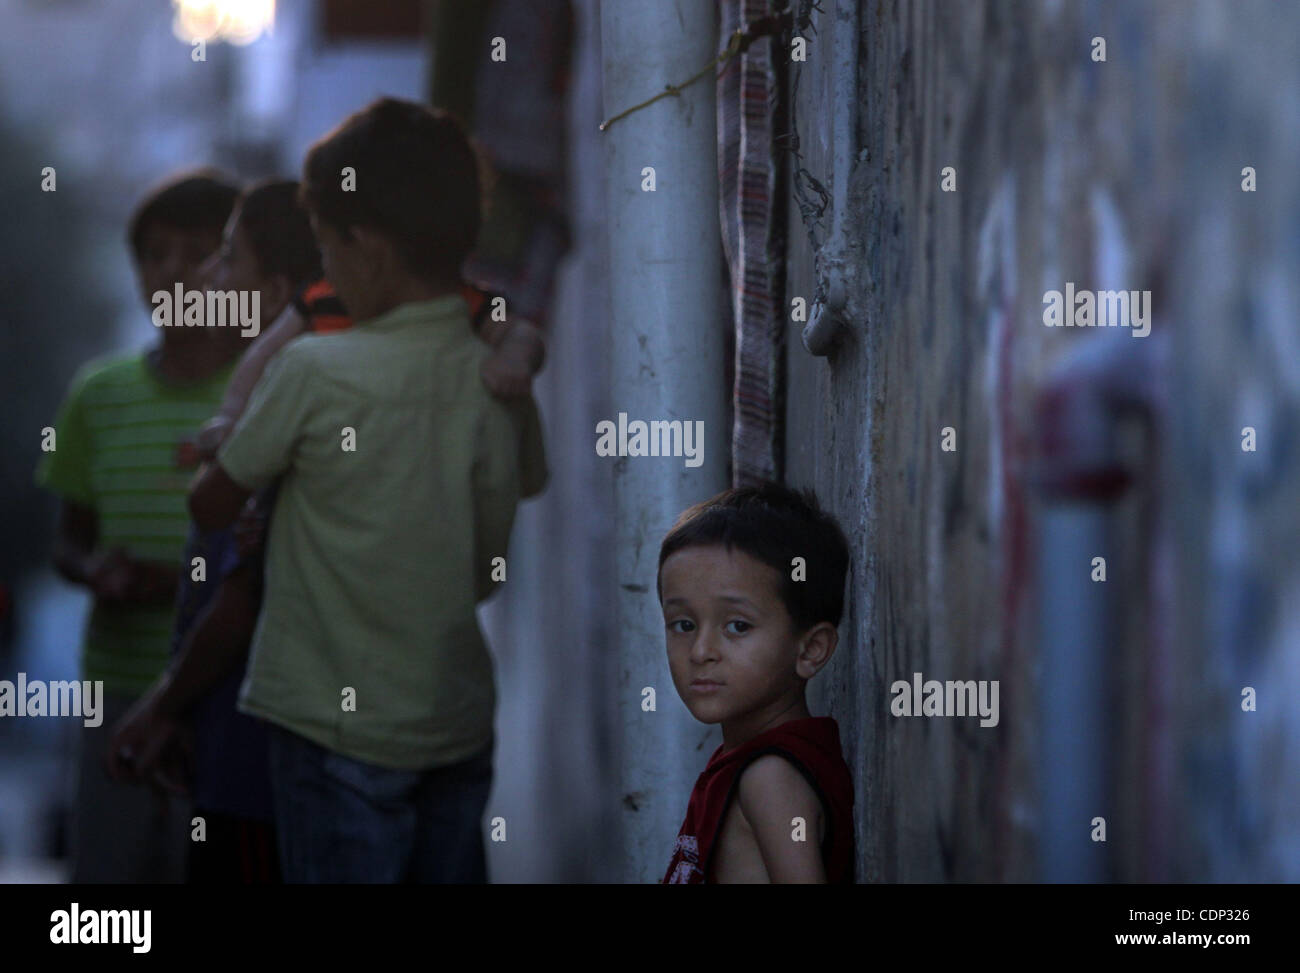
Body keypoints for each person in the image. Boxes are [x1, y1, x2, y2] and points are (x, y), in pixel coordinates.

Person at [109, 178, 548, 882]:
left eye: (223, 257)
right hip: (326, 735)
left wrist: (162, 704)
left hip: (272, 757)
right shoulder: (335, 352)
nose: (205, 276)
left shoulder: (310, 374)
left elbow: (235, 586)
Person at [35, 170, 241, 882]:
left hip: (229, 692)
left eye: (198, 252)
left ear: (238, 270)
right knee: (109, 890)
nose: (173, 270)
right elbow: (67, 538)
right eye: (156, 254)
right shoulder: (99, 393)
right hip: (116, 687)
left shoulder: (268, 390)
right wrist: (95, 571)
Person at [657, 483, 856, 883]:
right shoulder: (745, 759)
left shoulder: (771, 778)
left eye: (737, 626)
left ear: (811, 650)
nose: (700, 651)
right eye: (684, 625)